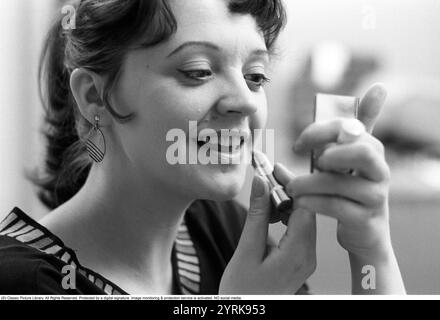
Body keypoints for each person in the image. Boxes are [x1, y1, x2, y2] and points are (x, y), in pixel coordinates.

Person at [0, 0, 405, 295]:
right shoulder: (22, 283)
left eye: (256, 76)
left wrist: (371, 248)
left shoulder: (226, 233)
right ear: (94, 97)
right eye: (197, 71)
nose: (245, 100)